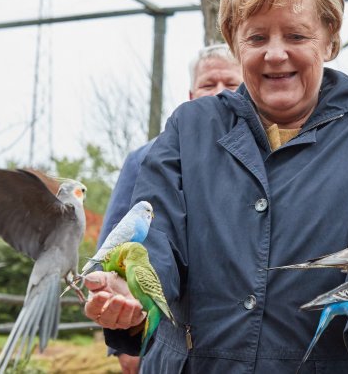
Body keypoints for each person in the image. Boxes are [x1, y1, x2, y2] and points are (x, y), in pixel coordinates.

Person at [84, 0, 348, 372]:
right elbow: (156, 228)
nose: (275, 53)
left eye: (296, 36)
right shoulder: (190, 128)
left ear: (330, 39)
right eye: (256, 38)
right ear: (235, 44)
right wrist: (133, 291)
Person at [96, 43, 242, 373]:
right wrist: (123, 342)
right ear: (191, 95)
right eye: (208, 84)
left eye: (230, 84)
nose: (218, 93)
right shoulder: (148, 157)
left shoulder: (268, 160)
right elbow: (114, 248)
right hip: (167, 341)